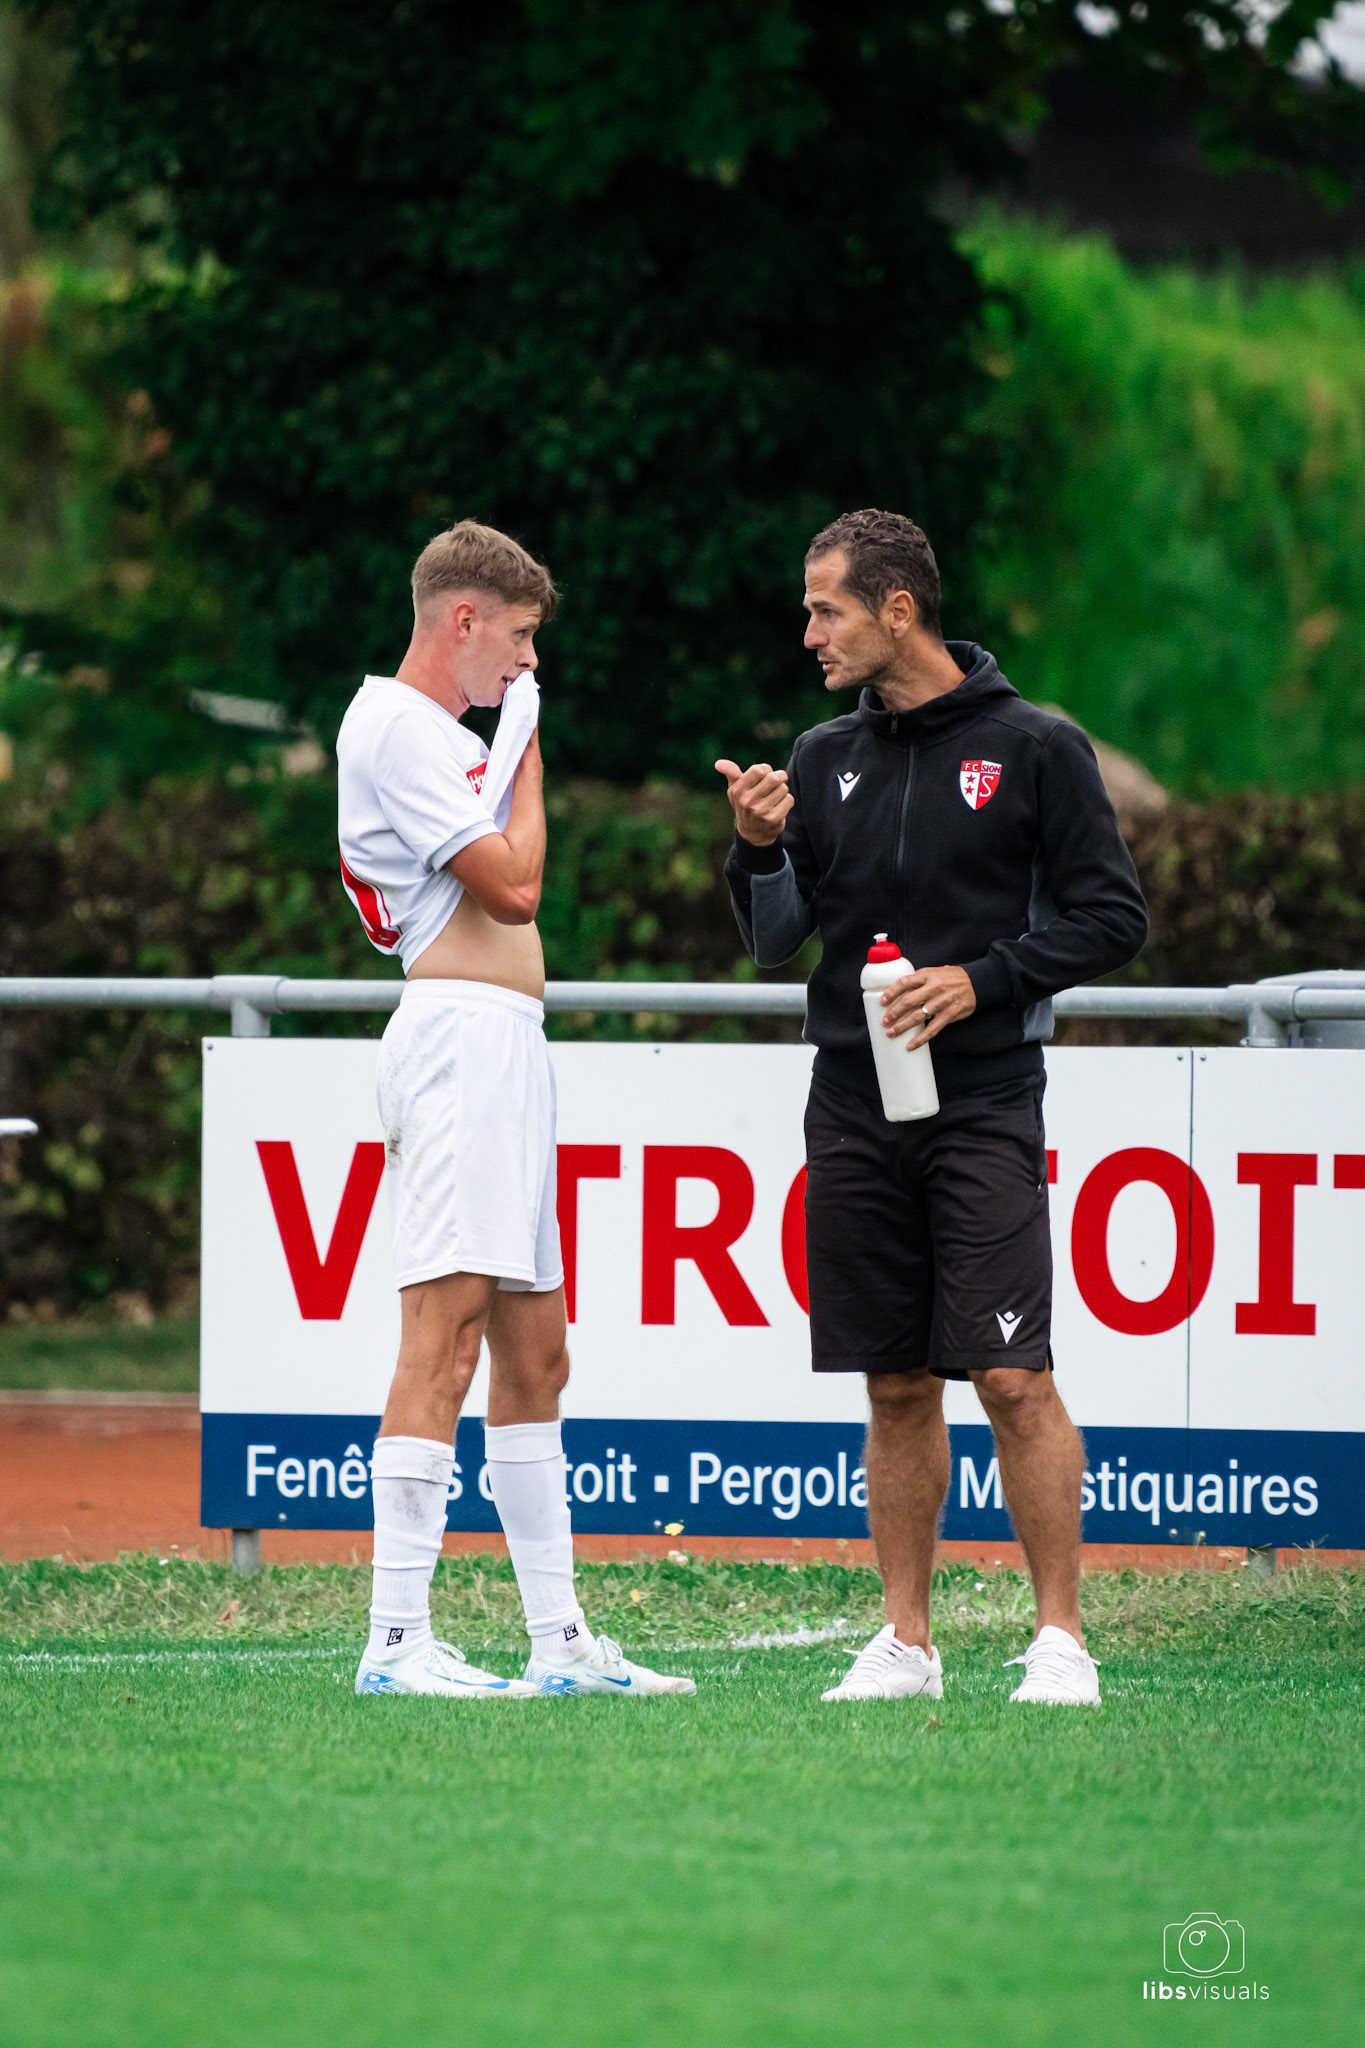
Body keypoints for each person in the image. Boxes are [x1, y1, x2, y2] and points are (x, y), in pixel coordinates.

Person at [719, 508, 1148, 1706]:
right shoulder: (817, 758)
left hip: (986, 1103)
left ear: (897, 610)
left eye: (826, 609)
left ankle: (1059, 1638)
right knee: (896, 1381)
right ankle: (906, 1642)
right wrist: (756, 847)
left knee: (1012, 1377)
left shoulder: (1036, 748)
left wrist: (985, 978)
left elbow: (1113, 915)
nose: (808, 632)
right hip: (851, 1106)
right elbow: (773, 942)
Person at [337, 519, 693, 1700]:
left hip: (505, 1049)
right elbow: (516, 880)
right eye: (520, 641)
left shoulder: (433, 734)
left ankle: (559, 1640)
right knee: (441, 1338)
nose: (523, 667)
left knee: (535, 1355)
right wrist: (526, 752)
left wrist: (506, 748)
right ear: (463, 620)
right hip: (460, 1045)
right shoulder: (395, 724)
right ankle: (395, 1639)